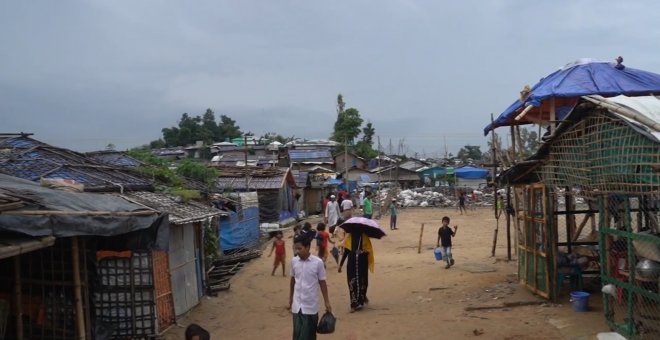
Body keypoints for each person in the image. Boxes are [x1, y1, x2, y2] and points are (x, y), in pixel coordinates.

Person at [289, 234, 332, 340]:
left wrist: (327, 302)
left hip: (310, 307)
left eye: (300, 248)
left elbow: (322, 282)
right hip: (297, 306)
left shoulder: (318, 263)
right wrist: (290, 299)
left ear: (308, 247)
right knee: (297, 335)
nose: (297, 251)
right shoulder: (294, 261)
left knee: (309, 336)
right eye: (296, 249)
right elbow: (292, 280)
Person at [338, 231, 374, 312]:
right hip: (352, 263)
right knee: (352, 282)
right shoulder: (349, 238)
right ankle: (353, 304)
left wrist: (363, 251)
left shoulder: (364, 237)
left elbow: (369, 250)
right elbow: (346, 252)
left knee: (363, 281)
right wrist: (340, 265)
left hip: (362, 262)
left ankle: (362, 298)